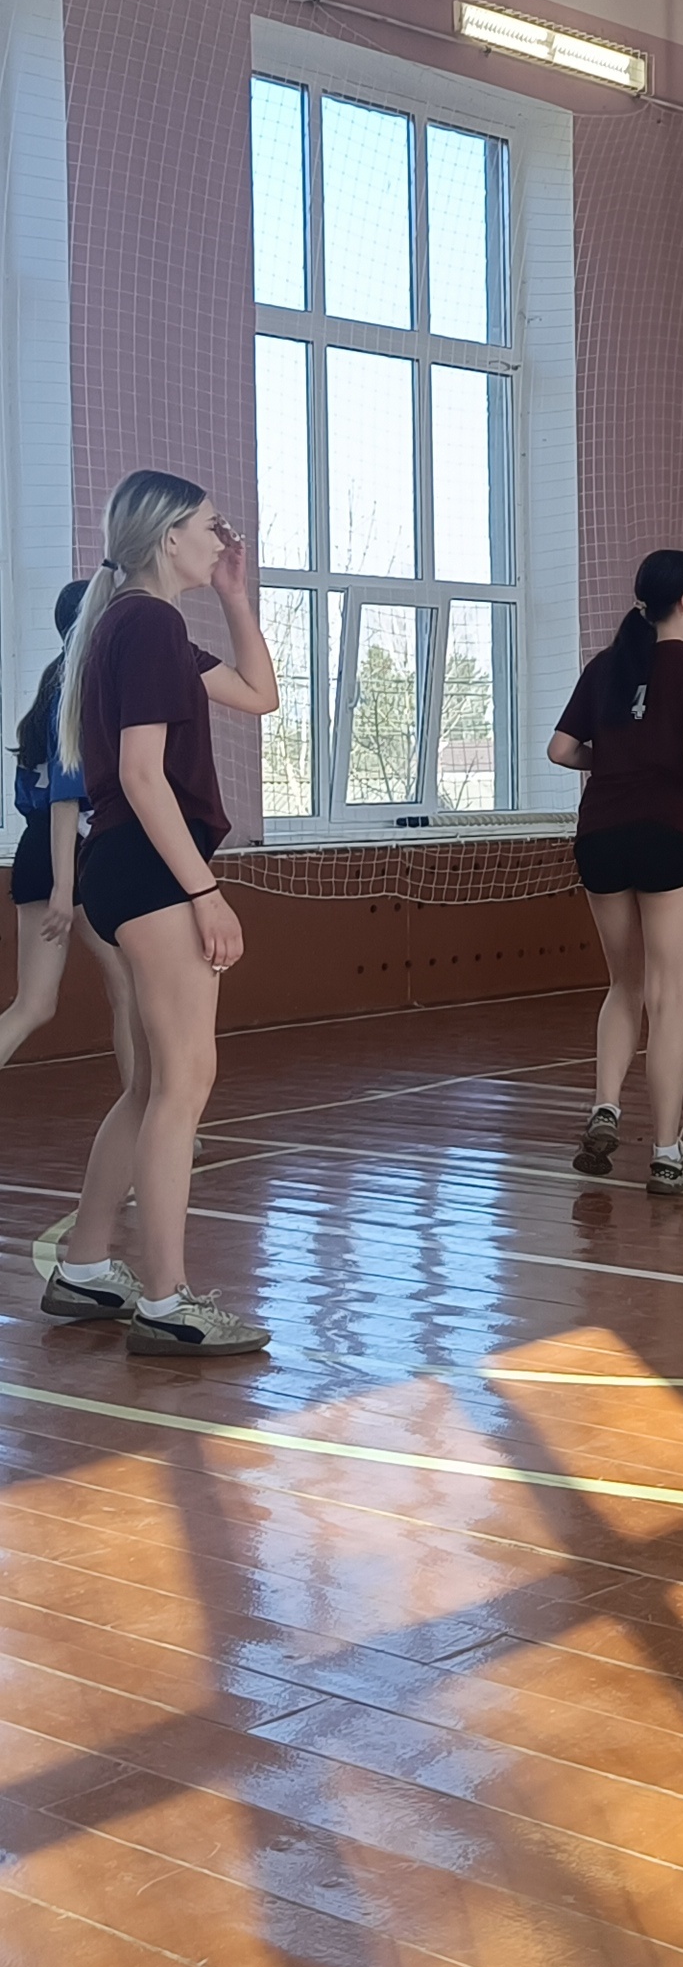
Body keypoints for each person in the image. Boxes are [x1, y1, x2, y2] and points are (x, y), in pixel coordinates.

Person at [42, 471, 278, 1354]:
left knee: (151, 1084)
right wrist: (204, 892)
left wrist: (236, 597)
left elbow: (260, 694)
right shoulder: (146, 624)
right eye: (212, 528)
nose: (224, 539)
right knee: (183, 1083)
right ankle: (166, 1301)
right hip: (148, 867)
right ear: (168, 535)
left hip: (125, 866)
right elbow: (143, 777)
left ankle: (85, 1265)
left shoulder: (145, 626)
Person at [550, 550, 683, 1195]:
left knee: (623, 983)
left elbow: (560, 750)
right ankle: (665, 1153)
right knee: (667, 995)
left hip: (600, 836)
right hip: (664, 835)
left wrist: (614, 762)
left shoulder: (605, 665)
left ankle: (605, 1107)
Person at [0, 579, 136, 1086]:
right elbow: (65, 798)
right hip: (68, 852)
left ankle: (143, 1108)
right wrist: (64, 885)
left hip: (41, 849)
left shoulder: (53, 688)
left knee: (37, 1005)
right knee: (124, 988)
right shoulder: (75, 696)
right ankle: (146, 1110)